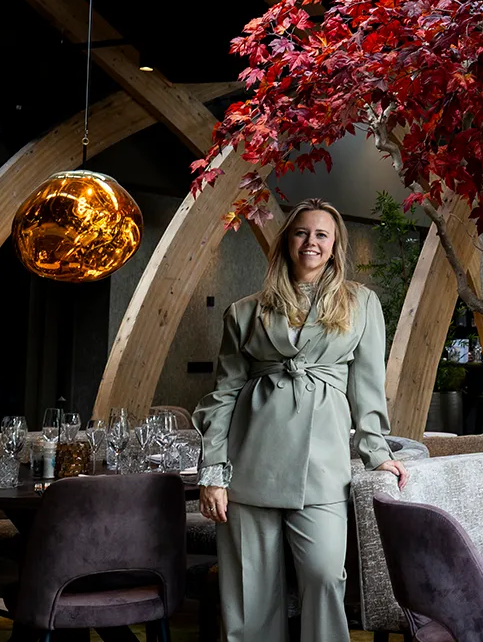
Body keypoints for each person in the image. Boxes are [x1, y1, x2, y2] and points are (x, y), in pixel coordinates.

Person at [194, 198, 407, 642]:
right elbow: (223, 396)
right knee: (249, 595)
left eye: (321, 234)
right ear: (287, 241)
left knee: (326, 575)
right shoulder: (245, 311)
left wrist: (376, 452)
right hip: (250, 464)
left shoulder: (360, 303)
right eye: (301, 232)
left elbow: (367, 387)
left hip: (322, 468)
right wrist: (213, 473)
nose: (311, 242)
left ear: (334, 246)